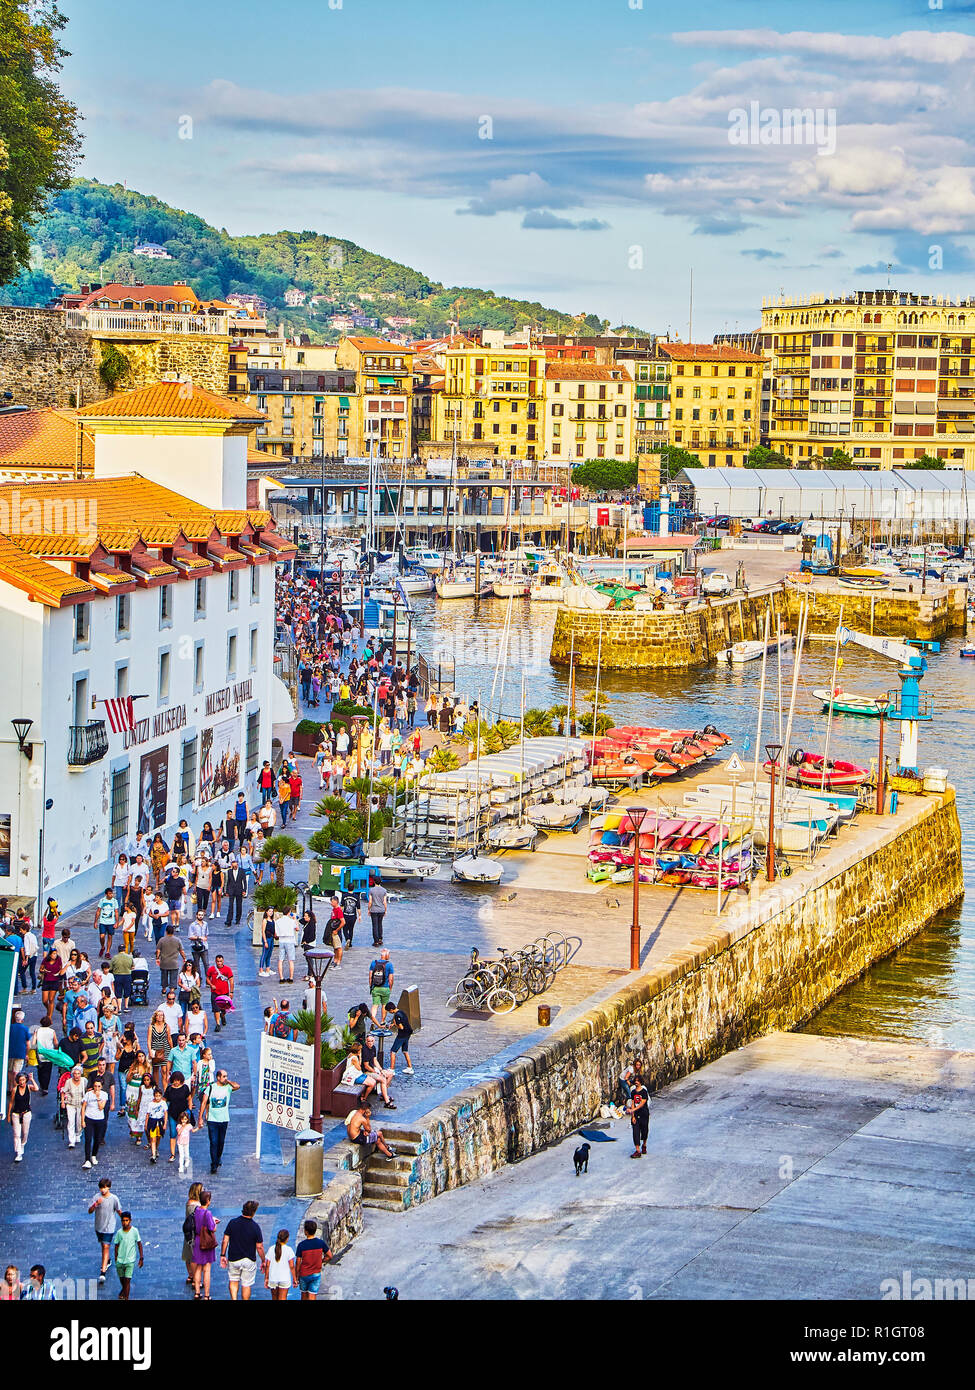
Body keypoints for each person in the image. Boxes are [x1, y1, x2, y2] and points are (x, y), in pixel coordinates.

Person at [221, 1199, 265, 1301]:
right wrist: (263, 1260)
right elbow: (259, 1247)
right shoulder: (255, 1227)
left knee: (233, 1280)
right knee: (246, 1284)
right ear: (253, 1212)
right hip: (249, 1259)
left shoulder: (232, 1223)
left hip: (234, 1258)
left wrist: (223, 1255)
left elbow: (225, 1240)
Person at [199, 1068, 240, 1173]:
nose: (225, 1078)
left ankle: (218, 1157)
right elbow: (204, 1102)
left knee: (221, 1142)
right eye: (224, 1076)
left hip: (224, 1119)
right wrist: (200, 1117)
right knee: (213, 1141)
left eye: (226, 1076)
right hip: (212, 1119)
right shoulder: (211, 1087)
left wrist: (228, 1081)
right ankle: (214, 1164)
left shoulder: (228, 1087)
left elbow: (237, 1086)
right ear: (218, 1077)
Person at [88, 1177, 122, 1285]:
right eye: (101, 1188)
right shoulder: (96, 1197)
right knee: (103, 1245)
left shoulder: (114, 1198)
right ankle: (107, 1261)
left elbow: (118, 1210)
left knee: (106, 1246)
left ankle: (102, 1272)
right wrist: (95, 1204)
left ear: (109, 1187)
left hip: (109, 1227)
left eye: (105, 1188)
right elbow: (90, 1211)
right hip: (99, 1227)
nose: (103, 1190)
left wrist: (125, 1221)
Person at [294, 1218, 331, 1300]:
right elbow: (329, 1255)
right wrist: (321, 1261)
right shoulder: (320, 1243)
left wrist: (296, 1276)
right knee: (312, 1295)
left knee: (304, 1295)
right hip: (316, 1273)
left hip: (304, 1274)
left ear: (306, 1232)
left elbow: (298, 1262)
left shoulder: (301, 1245)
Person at [191, 1190, 218, 1299]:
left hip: (197, 1240)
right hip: (206, 1241)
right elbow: (212, 1229)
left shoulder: (196, 1210)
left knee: (198, 1267)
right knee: (207, 1269)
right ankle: (207, 1295)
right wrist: (214, 1222)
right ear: (208, 1201)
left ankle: (197, 1292)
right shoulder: (208, 1213)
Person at [7, 1071, 39, 1162]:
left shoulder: (28, 1088)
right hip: (16, 1113)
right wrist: (9, 1114)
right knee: (17, 1134)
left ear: (26, 1080)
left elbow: (36, 1088)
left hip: (26, 1113)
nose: (22, 1082)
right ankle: (18, 1152)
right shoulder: (15, 1090)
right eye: (20, 1080)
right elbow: (11, 1102)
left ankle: (22, 1144)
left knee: (25, 1132)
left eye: (23, 1080)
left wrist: (32, 1079)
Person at [112, 1212, 143, 1301]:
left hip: (130, 1261)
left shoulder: (134, 1231)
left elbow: (139, 1244)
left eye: (126, 1220)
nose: (125, 1222)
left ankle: (126, 1297)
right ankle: (123, 1291)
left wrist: (141, 1258)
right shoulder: (119, 1233)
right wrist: (116, 1258)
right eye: (123, 1221)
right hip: (120, 1261)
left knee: (127, 1280)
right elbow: (116, 1245)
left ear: (130, 1221)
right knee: (122, 1280)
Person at [81, 1076, 109, 1168]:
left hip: (99, 1119)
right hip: (89, 1119)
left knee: (97, 1139)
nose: (96, 1088)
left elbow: (101, 1107)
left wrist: (97, 1098)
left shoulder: (104, 1095)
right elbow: (83, 1107)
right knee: (88, 1139)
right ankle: (87, 1159)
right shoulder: (88, 1094)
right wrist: (82, 1120)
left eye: (98, 1086)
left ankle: (93, 1155)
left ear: (101, 1087)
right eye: (95, 1086)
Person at [181, 1182, 204, 1284]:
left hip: (188, 1231)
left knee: (188, 1254)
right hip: (195, 1232)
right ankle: (196, 1278)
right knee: (194, 1256)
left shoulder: (188, 1203)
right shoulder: (197, 1205)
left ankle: (190, 1275)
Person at [265, 1229, 297, 1300]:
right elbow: (291, 1266)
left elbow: (267, 1265)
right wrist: (294, 1278)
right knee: (283, 1297)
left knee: (274, 1298)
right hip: (284, 1278)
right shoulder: (289, 1250)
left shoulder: (271, 1249)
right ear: (287, 1239)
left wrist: (266, 1278)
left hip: (273, 1278)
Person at [206, 955, 234, 1032]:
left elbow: (231, 981)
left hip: (224, 992)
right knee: (216, 1009)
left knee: (224, 1008)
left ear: (223, 961)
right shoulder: (212, 969)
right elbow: (207, 978)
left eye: (220, 961)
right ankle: (218, 1024)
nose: (219, 963)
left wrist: (231, 992)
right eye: (218, 961)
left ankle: (223, 1015)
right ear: (215, 961)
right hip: (215, 992)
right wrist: (211, 985)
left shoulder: (227, 969)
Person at [146, 1009, 172, 1089]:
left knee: (164, 1070)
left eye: (162, 1015)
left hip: (165, 1048)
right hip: (155, 1049)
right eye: (158, 1015)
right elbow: (149, 1040)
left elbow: (169, 1038)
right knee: (156, 1070)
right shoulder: (151, 1027)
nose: (160, 1017)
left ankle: (165, 1090)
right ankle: (156, 1088)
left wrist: (172, 1049)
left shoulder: (166, 1026)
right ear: (155, 1017)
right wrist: (150, 1051)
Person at [387, 1002, 415, 1076]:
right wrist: (393, 1024)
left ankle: (392, 1069)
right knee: (405, 1050)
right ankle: (410, 1067)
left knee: (393, 1051)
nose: (389, 1012)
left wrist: (395, 1024)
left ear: (391, 1009)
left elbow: (401, 1027)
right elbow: (403, 1021)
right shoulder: (401, 1011)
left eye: (389, 1011)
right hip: (408, 1033)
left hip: (402, 1034)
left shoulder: (397, 1015)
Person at [155, 925, 186, 994]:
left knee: (164, 976)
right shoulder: (177, 940)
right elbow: (181, 951)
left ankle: (164, 989)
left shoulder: (162, 940)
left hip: (164, 962)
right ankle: (172, 989)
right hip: (174, 963)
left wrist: (157, 958)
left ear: (166, 931)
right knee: (173, 977)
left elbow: (158, 950)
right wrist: (184, 958)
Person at [368, 948, 394, 1025]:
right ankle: (382, 1021)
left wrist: (371, 986)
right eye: (388, 954)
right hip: (385, 988)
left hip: (375, 987)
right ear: (386, 955)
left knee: (375, 1005)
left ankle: (373, 1021)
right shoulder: (389, 965)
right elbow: (391, 979)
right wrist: (390, 988)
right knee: (384, 1005)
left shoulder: (373, 963)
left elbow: (370, 976)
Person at [628, 1076, 650, 1159]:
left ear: (641, 1082)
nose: (636, 1082)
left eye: (638, 1081)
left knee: (644, 1131)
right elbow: (633, 1103)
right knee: (636, 1132)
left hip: (644, 1114)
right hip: (636, 1115)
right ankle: (637, 1150)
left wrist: (633, 1109)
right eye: (635, 1081)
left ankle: (644, 1145)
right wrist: (633, 1115)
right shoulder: (633, 1092)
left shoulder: (644, 1092)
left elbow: (642, 1103)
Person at [273, 910, 298, 984]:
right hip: (290, 940)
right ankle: (291, 978)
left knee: (280, 960)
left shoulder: (278, 921)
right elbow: (297, 929)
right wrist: (295, 919)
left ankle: (281, 978)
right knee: (291, 960)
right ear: (288, 912)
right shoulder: (291, 921)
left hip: (281, 940)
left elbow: (276, 933)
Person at [144, 1086, 168, 1163]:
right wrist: (146, 1124)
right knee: (153, 1138)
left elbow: (165, 1113)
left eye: (159, 1096)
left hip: (160, 1121)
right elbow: (147, 1114)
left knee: (158, 1137)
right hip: (152, 1121)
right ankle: (153, 1155)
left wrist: (165, 1124)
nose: (157, 1098)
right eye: (156, 1096)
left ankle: (156, 1149)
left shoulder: (163, 1103)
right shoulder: (151, 1104)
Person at [223, 858, 246, 927]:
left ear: (237, 865)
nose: (234, 867)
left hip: (239, 890)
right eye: (233, 866)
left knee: (239, 906)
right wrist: (226, 891)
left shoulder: (241, 871)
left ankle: (238, 919)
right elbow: (228, 881)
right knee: (230, 906)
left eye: (235, 866)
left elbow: (244, 881)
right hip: (231, 890)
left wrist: (244, 890)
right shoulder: (229, 871)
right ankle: (229, 920)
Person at [367, 877, 388, 947]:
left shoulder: (371, 890)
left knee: (374, 925)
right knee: (380, 924)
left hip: (374, 909)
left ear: (374, 882)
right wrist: (385, 910)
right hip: (381, 909)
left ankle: (375, 941)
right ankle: (380, 939)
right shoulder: (384, 890)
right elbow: (385, 902)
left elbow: (370, 902)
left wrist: (368, 909)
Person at [258, 908, 276, 977]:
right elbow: (263, 931)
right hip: (267, 938)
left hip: (271, 938)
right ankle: (261, 969)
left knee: (269, 954)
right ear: (266, 912)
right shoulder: (265, 920)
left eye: (272, 911)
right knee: (264, 954)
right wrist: (265, 941)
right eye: (269, 911)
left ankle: (268, 969)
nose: (271, 912)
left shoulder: (272, 920)